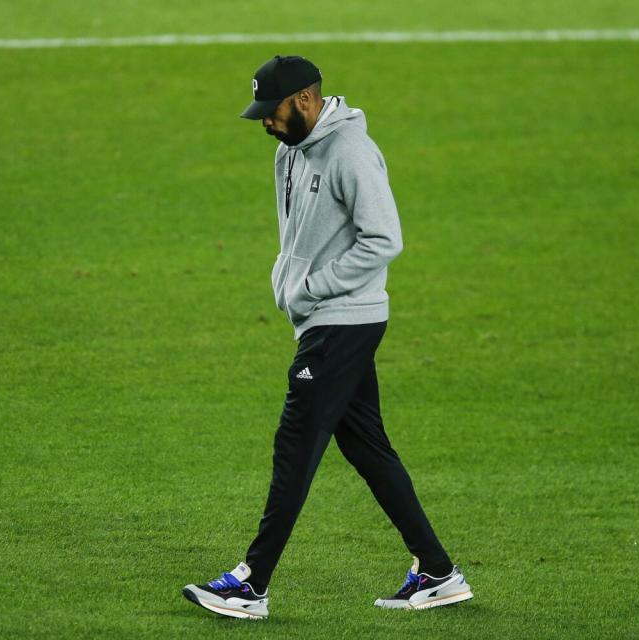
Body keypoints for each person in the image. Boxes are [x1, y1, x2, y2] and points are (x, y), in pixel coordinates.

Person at [182, 55, 473, 619]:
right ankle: (437, 571)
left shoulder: (352, 153)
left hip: (343, 320)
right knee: (365, 444)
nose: (266, 122)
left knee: (295, 446)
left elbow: (384, 239)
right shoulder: (288, 151)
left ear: (307, 101)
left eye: (274, 112)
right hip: (323, 319)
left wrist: (314, 286)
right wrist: (290, 283)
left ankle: (252, 584)